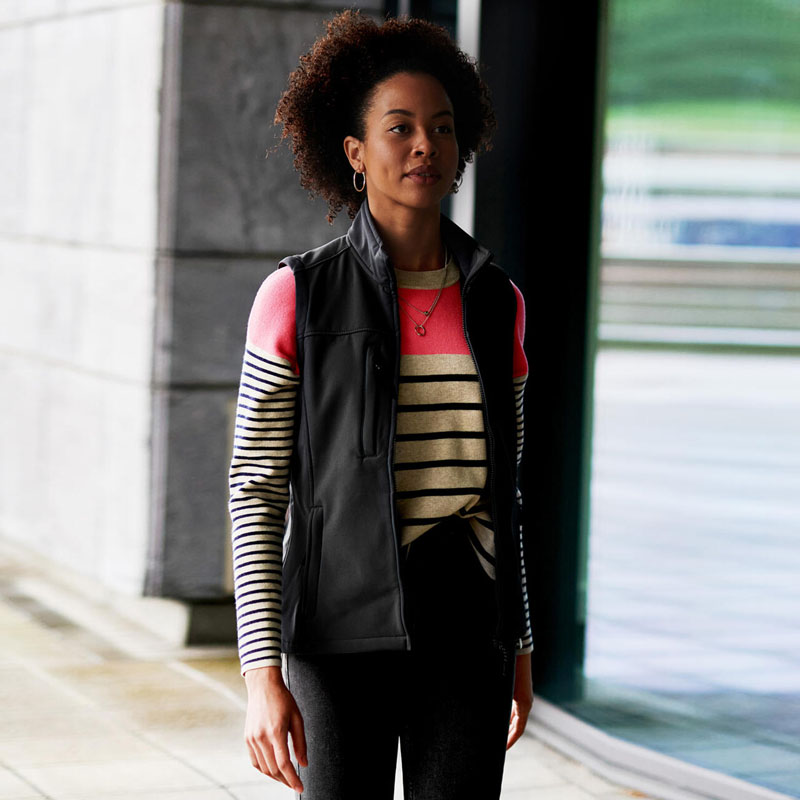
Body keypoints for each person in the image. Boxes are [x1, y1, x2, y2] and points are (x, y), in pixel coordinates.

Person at [227, 10, 534, 799]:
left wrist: (520, 639)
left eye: (442, 127)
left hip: (468, 629)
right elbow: (255, 490)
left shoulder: (498, 302)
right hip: (337, 630)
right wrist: (261, 674)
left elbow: (506, 492)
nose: (425, 144)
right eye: (400, 128)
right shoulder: (296, 294)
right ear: (356, 152)